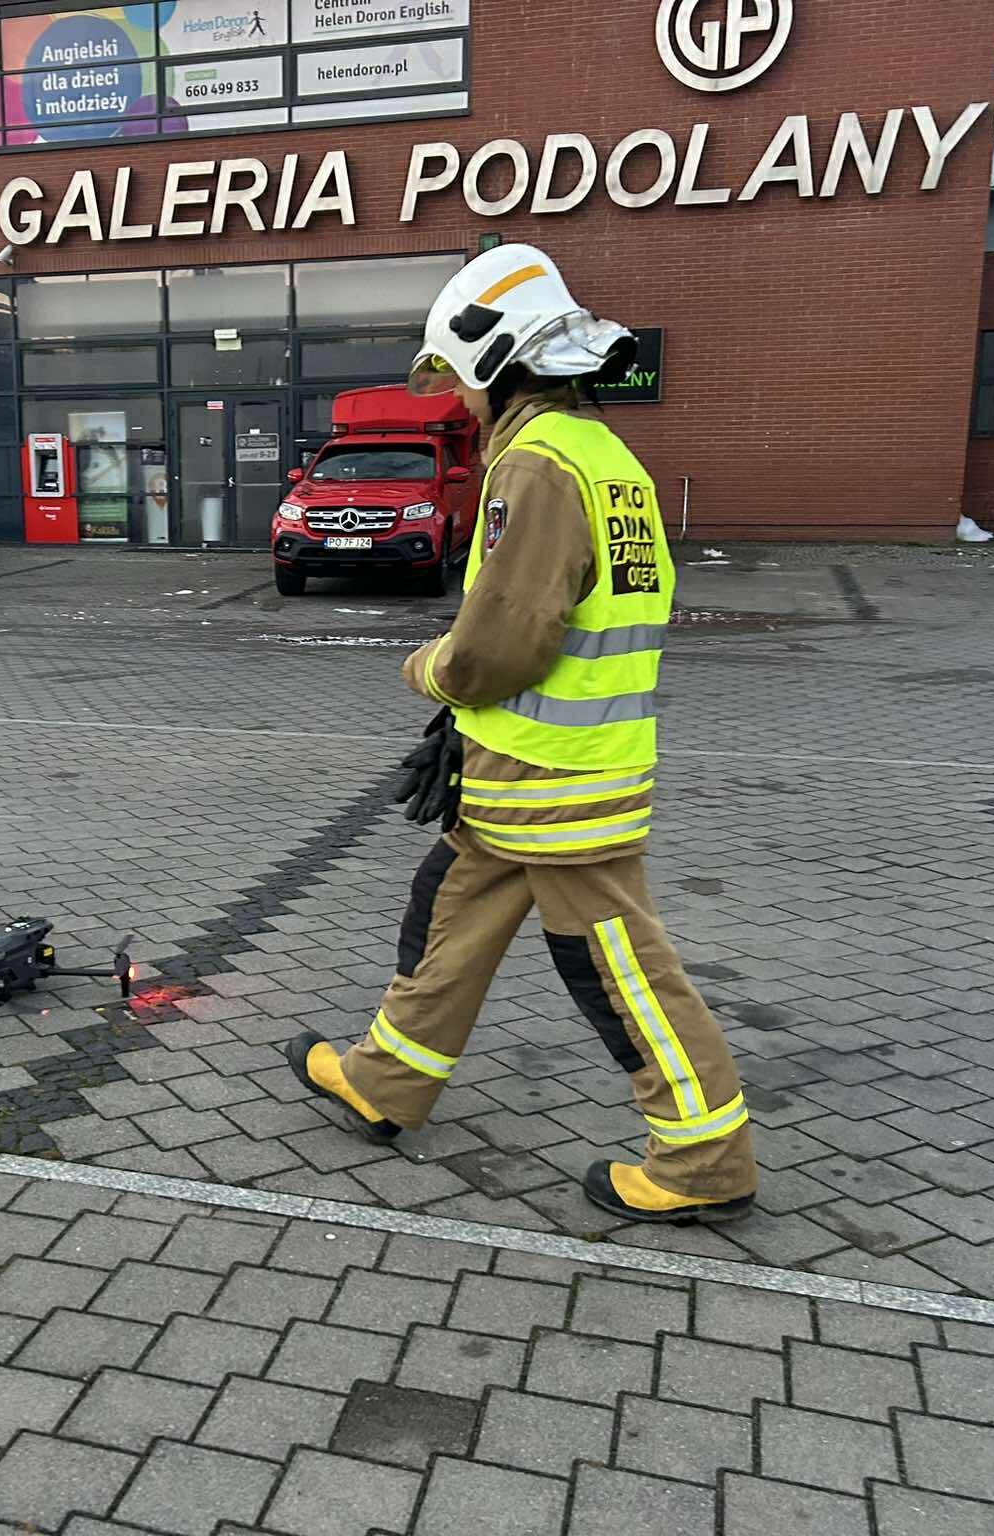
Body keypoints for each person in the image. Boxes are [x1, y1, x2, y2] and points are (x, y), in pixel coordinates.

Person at [285, 244, 758, 1224]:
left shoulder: (534, 465)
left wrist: (431, 670)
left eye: (458, 381)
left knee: (617, 966)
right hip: (536, 777)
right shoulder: (603, 456)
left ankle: (703, 1155)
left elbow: (499, 645)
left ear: (498, 363)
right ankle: (384, 1081)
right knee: (449, 908)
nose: (455, 403)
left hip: (554, 782)